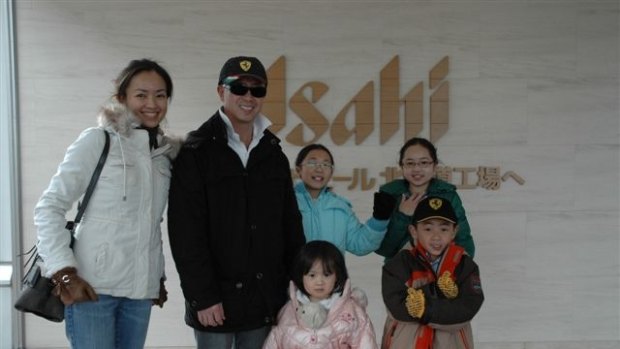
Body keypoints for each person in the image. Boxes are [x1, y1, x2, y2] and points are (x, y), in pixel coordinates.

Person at [34, 59, 179, 348]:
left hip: (139, 293)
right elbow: (49, 207)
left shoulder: (163, 156)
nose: (152, 103)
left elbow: (151, 222)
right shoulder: (98, 141)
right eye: (141, 95)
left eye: (160, 95)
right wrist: (64, 273)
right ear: (122, 98)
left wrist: (156, 275)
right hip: (90, 288)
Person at [167, 56, 306, 349]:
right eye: (239, 87)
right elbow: (185, 233)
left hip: (265, 299)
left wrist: (299, 288)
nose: (248, 96)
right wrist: (202, 297)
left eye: (257, 90)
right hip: (215, 302)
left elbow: (290, 225)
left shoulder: (273, 153)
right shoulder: (196, 151)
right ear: (221, 91)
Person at [381, 196, 483, 348]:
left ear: (454, 231)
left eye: (444, 229)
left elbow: (467, 308)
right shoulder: (398, 264)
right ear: (414, 231)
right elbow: (398, 308)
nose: (436, 236)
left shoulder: (465, 265)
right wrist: (439, 292)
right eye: (428, 229)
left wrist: (423, 308)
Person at [263, 240, 378, 348]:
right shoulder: (289, 311)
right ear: (301, 276)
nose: (319, 282)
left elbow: (365, 343)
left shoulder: (352, 311)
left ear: (337, 276)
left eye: (327, 275)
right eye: (312, 275)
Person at [375, 137, 475, 260]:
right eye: (410, 163)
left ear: (434, 166)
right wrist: (402, 216)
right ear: (402, 166)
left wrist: (459, 270)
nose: (417, 169)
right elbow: (384, 249)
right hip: (400, 273)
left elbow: (464, 240)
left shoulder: (448, 195)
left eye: (424, 163)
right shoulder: (388, 195)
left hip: (443, 273)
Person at [294, 144, 396, 256]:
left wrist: (380, 219)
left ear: (331, 172)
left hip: (331, 273)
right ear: (299, 170)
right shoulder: (286, 203)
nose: (319, 168)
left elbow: (360, 245)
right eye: (312, 163)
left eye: (326, 164)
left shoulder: (340, 207)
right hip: (294, 273)